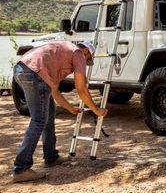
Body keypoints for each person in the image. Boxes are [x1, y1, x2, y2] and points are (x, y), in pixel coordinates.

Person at [12, 40, 107, 183]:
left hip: (22, 69)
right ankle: (21, 169)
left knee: (48, 113)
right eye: (88, 61)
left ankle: (51, 157)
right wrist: (96, 110)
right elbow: (81, 88)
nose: (85, 64)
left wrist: (70, 108)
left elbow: (54, 92)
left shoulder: (61, 52)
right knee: (39, 120)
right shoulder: (78, 53)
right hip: (34, 73)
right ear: (86, 52)